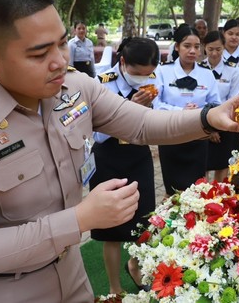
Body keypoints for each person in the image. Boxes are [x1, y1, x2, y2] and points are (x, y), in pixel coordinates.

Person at [0, 0, 239, 303]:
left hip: (72, 273)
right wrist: (80, 219)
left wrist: (209, 116)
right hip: (5, 290)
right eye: (39, 54)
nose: (59, 62)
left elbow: (142, 124)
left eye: (61, 43)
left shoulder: (74, 88)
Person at [90, 37, 159, 294]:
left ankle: (135, 265)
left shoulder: (152, 79)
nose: (143, 79)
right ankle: (114, 287)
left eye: (148, 74)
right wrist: (129, 108)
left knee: (144, 221)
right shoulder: (101, 84)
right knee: (111, 230)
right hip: (108, 158)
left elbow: (155, 119)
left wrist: (149, 108)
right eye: (136, 73)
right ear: (122, 62)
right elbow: (96, 134)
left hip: (138, 155)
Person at [155, 26, 221, 195]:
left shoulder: (207, 74)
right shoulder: (163, 71)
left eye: (197, 46)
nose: (193, 51)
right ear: (177, 46)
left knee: (195, 188)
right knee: (172, 189)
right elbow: (157, 103)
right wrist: (181, 111)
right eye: (187, 46)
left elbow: (215, 103)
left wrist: (200, 111)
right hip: (171, 134)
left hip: (197, 136)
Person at [202, 31, 239, 182]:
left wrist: (219, 126)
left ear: (224, 48)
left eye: (218, 49)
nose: (214, 53)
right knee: (202, 165)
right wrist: (209, 127)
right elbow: (200, 99)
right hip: (203, 122)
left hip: (226, 122)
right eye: (210, 49)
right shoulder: (199, 69)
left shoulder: (232, 69)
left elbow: (233, 99)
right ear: (204, 47)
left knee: (222, 164)